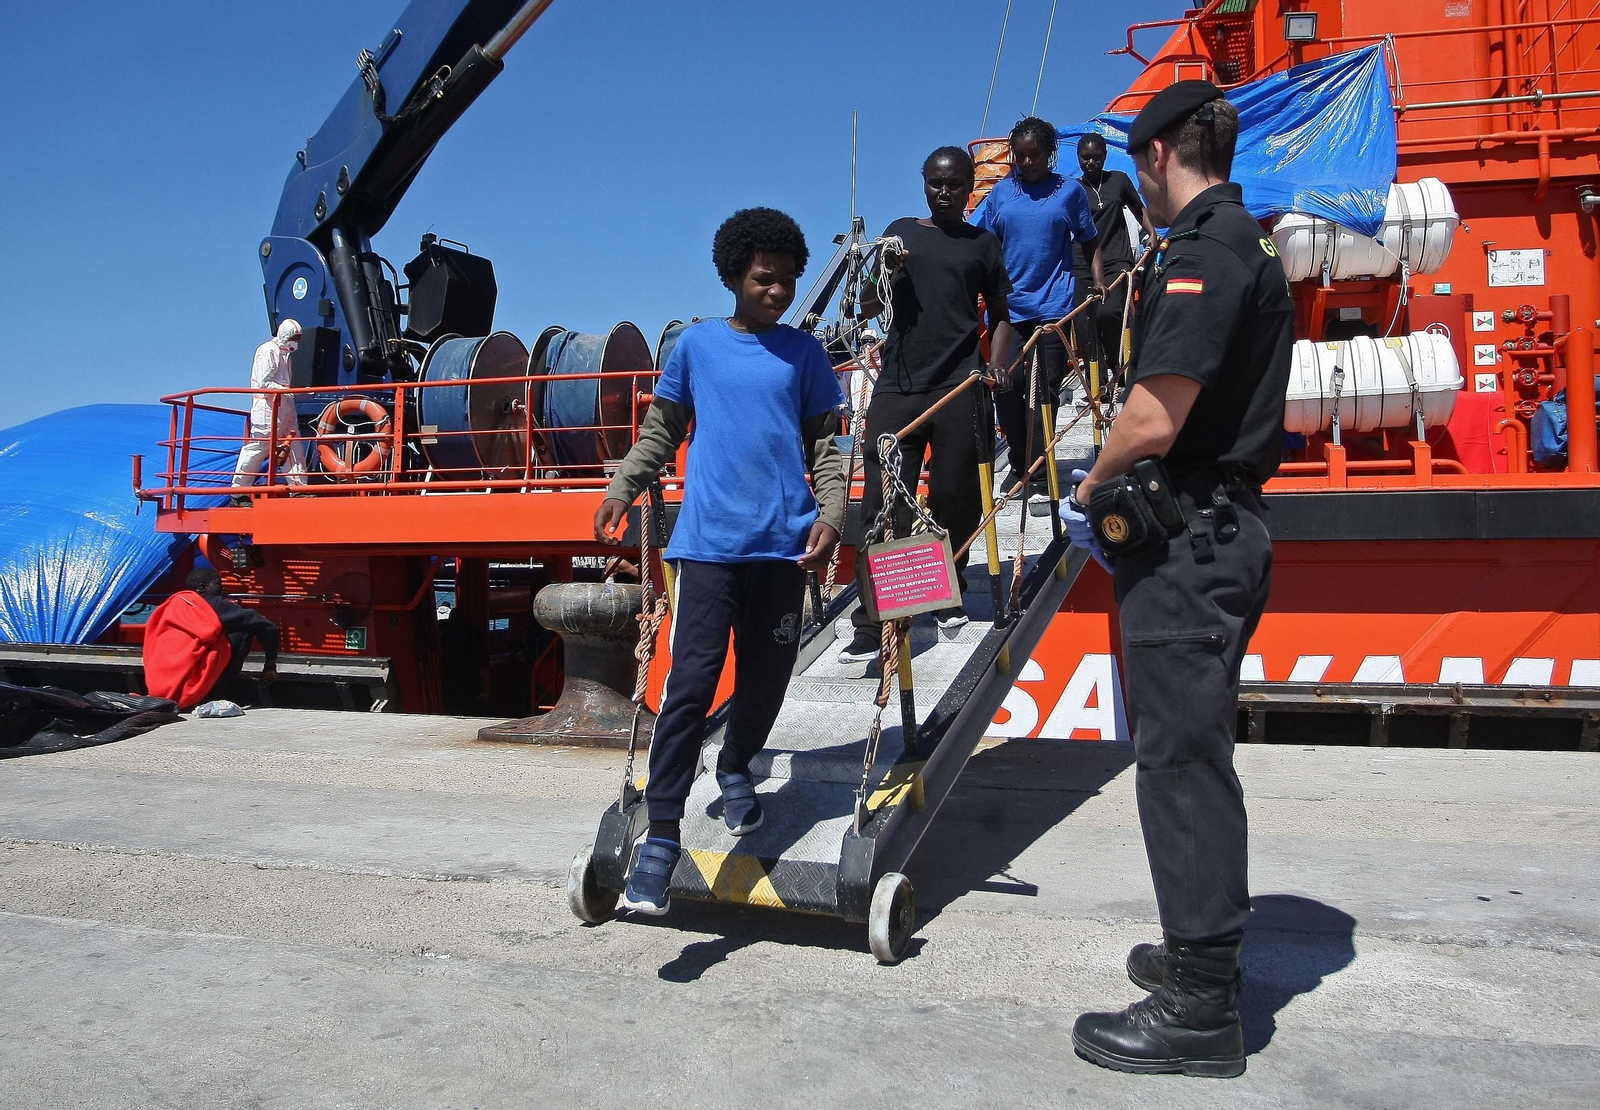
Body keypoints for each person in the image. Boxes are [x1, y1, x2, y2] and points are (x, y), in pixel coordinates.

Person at [1060, 81, 1294, 1078]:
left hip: (1188, 536)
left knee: (1180, 764)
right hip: (1218, 527)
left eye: (1134, 164)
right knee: (1189, 753)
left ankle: (1201, 1004)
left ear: (1157, 156)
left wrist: (1091, 486)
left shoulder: (1202, 248)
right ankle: (1201, 951)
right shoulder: (1250, 239)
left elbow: (1155, 414)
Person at [593, 207, 845, 916]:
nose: (779, 292)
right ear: (733, 275)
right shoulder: (697, 349)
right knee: (691, 688)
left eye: (789, 282)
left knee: (766, 685)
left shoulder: (806, 357)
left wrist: (831, 515)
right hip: (705, 550)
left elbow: (826, 449)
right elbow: (660, 433)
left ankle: (735, 766)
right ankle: (662, 838)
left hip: (780, 550)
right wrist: (623, 487)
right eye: (765, 279)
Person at [837, 146, 1014, 663]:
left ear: (969, 188)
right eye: (935, 183)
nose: (944, 192)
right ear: (923, 185)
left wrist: (999, 363)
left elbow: (1002, 317)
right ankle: (872, 622)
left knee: (955, 494)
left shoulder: (983, 243)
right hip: (899, 385)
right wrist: (883, 272)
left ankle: (947, 588)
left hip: (959, 384)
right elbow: (865, 304)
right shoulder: (901, 234)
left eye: (954, 184)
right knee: (881, 501)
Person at [969, 117, 1104, 512]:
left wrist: (1096, 282)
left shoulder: (1069, 193)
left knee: (1043, 393)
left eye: (1034, 156)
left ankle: (1040, 473)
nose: (1026, 163)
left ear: (1050, 154)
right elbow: (980, 242)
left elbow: (1091, 242)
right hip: (1008, 313)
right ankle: (1020, 460)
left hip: (1053, 310)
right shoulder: (1000, 195)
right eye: (1020, 156)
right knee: (1006, 389)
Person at [1073, 133, 1157, 387]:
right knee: (1085, 324)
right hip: (1081, 262)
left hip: (1115, 259)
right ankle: (1096, 387)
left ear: (1104, 157)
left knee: (1110, 314)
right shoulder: (1073, 189)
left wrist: (1152, 232)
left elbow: (1138, 208)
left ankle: (1118, 368)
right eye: (1085, 158)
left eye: (1095, 157)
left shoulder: (1118, 181)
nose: (1090, 163)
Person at [231, 319, 308, 503]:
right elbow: (265, 383)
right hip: (268, 408)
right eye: (294, 337)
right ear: (284, 335)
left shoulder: (285, 354)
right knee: (258, 448)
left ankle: (299, 489)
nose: (296, 342)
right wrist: (290, 392)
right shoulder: (268, 351)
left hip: (285, 408)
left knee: (294, 447)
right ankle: (238, 492)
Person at [187, 567, 281, 698]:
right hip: (201, 676)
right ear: (202, 588)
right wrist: (270, 664)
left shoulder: (175, 604)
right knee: (244, 628)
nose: (224, 589)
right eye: (219, 584)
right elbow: (269, 627)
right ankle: (225, 682)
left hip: (173, 674)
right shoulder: (215, 603)